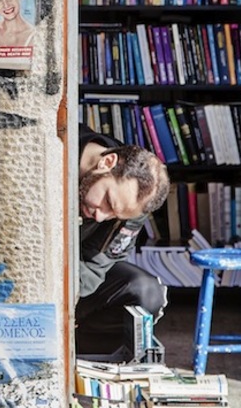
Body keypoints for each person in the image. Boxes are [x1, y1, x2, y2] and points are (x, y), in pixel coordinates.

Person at [77, 123, 170, 356]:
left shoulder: (132, 207)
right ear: (107, 163)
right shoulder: (52, 145)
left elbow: (93, 268)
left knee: (146, 292)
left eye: (113, 215)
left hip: (73, 281)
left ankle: (82, 359)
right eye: (107, 201)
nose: (100, 216)